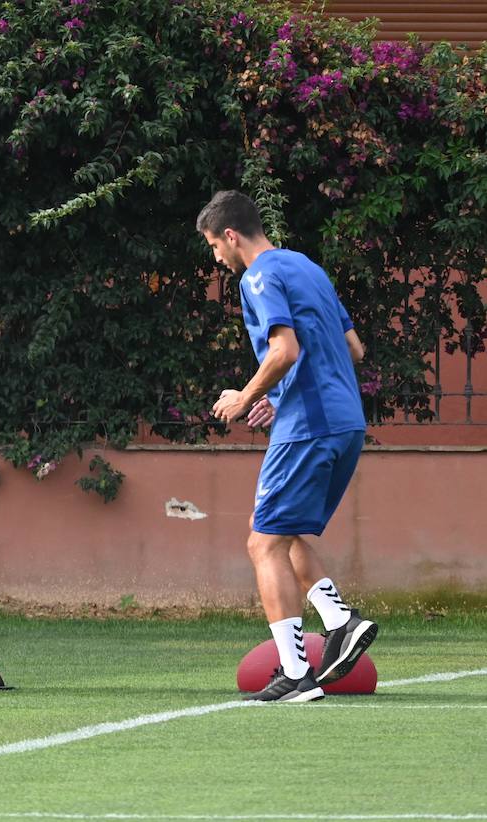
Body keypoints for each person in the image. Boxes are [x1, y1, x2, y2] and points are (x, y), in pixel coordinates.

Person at [198, 190, 377, 703]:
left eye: (214, 246)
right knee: (286, 534)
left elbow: (285, 348)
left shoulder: (257, 276)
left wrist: (246, 395)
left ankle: (297, 674)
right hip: (344, 423)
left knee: (262, 543)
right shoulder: (309, 269)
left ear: (231, 235)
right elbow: (352, 348)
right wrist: (282, 396)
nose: (217, 258)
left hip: (309, 426)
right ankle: (340, 620)